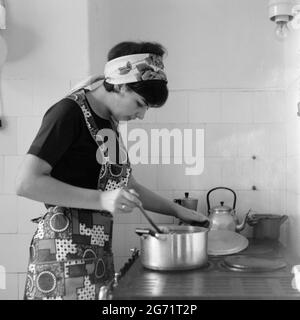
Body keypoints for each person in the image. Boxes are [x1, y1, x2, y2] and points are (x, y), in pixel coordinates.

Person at [16, 41, 209, 300]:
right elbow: (26, 183)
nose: (141, 115)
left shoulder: (108, 121)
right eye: (140, 103)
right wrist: (102, 199)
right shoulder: (68, 112)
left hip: (96, 256)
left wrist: (178, 210)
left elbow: (126, 184)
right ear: (120, 85)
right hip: (59, 255)